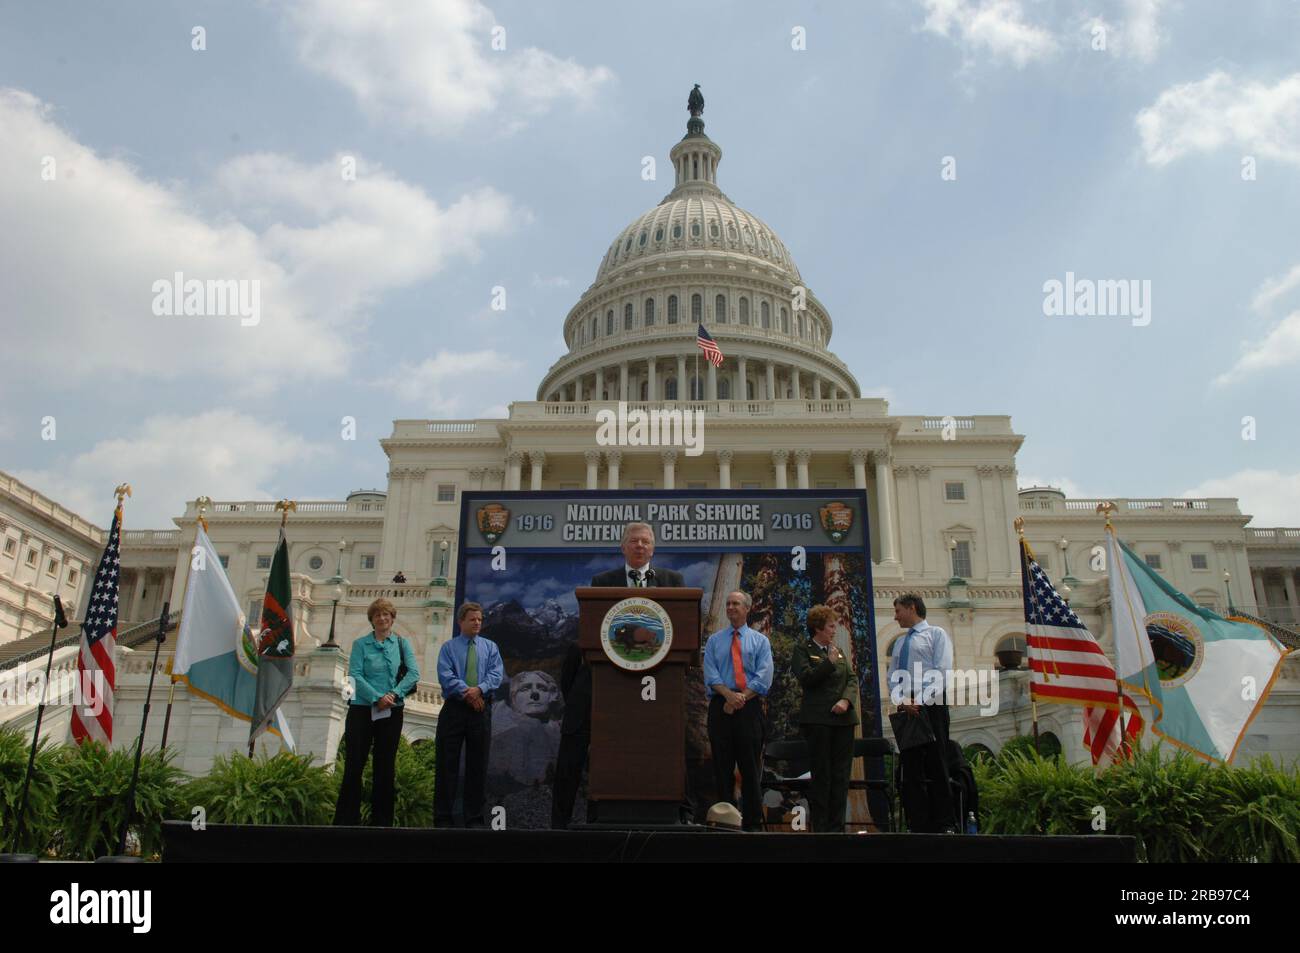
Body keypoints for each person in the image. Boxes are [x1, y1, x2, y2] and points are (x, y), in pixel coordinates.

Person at [333, 598, 420, 827]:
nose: (382, 619)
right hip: (362, 708)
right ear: (372, 620)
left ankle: (382, 822)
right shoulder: (361, 644)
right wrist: (376, 698)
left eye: (386, 615)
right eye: (377, 615)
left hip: (392, 710)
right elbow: (355, 675)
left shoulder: (402, 644)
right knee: (354, 763)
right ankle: (346, 820)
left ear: (392, 618)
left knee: (385, 766)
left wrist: (392, 695)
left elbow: (413, 674)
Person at [702, 590, 773, 832]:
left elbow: (764, 676)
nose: (731, 607)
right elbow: (711, 674)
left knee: (750, 768)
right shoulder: (714, 641)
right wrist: (729, 696)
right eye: (728, 603)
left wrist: (741, 697)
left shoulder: (760, 641)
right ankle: (725, 823)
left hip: (749, 708)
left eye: (736, 604)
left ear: (746, 609)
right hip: (720, 707)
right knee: (722, 768)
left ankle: (752, 824)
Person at [888, 593, 957, 833]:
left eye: (898, 611)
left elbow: (942, 670)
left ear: (911, 608)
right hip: (907, 708)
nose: (895, 617)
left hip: (931, 705)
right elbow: (893, 676)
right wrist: (901, 700)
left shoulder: (936, 634)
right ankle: (917, 823)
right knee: (911, 767)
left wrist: (921, 700)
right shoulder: (899, 643)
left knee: (937, 762)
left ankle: (945, 822)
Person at [435, 602, 503, 828]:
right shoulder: (448, 648)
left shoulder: (490, 647)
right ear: (461, 622)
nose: (477, 623)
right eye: (472, 619)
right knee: (447, 764)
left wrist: (479, 690)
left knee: (477, 765)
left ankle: (474, 818)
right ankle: (443, 818)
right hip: (455, 709)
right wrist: (469, 693)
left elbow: (496, 674)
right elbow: (446, 676)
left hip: (481, 710)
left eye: (480, 620)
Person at [792, 603, 859, 833]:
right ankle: (821, 829)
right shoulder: (803, 650)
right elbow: (807, 678)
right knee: (822, 776)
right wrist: (828, 664)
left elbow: (852, 678)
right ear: (818, 627)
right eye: (831, 626)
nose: (834, 630)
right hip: (818, 721)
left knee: (841, 776)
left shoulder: (838, 650)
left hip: (844, 721)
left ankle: (837, 827)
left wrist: (846, 701)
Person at [551, 641, 591, 829]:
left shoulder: (618, 646)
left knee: (603, 775)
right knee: (566, 775)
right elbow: (567, 682)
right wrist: (577, 705)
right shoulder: (578, 647)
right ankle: (560, 824)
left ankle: (596, 822)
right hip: (577, 720)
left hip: (609, 723)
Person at [589, 522, 685, 588]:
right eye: (634, 541)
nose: (639, 545)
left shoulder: (673, 581)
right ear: (623, 548)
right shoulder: (602, 582)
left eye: (645, 542)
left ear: (652, 550)